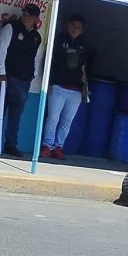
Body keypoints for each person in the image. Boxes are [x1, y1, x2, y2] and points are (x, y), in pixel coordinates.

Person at [0, 3, 43, 158]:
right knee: (20, 100)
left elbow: (36, 57)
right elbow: (1, 49)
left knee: (17, 112)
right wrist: (1, 71)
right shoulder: (11, 28)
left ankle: (11, 144)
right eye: (25, 14)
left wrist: (33, 73)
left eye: (30, 16)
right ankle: (5, 100)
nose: (26, 18)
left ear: (35, 19)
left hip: (25, 78)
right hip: (10, 75)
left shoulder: (36, 36)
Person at [42, 14, 93, 160]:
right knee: (53, 117)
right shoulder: (58, 40)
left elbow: (87, 67)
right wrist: (49, 81)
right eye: (73, 25)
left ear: (82, 29)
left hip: (76, 90)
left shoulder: (84, 45)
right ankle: (47, 146)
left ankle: (59, 147)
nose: (74, 29)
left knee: (67, 121)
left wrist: (85, 80)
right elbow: (48, 60)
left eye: (78, 27)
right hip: (58, 86)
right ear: (67, 24)